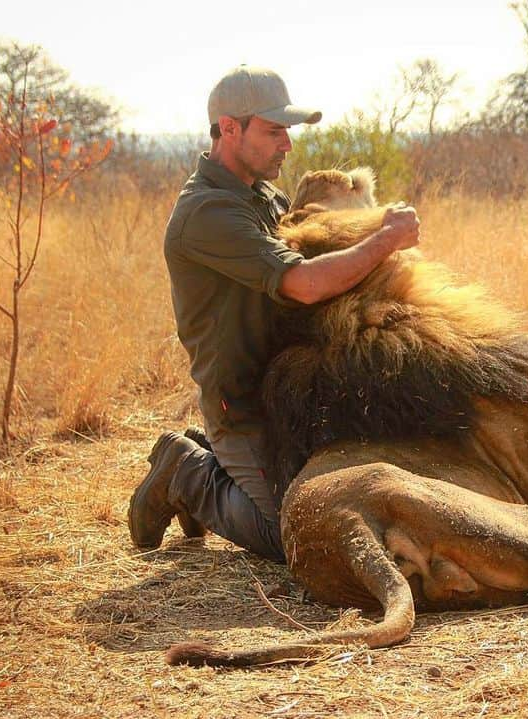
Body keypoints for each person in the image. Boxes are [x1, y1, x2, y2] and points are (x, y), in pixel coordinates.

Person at [127, 66, 420, 561]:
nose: (287, 144)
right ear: (228, 128)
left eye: (288, 131)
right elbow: (302, 284)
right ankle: (188, 471)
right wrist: (384, 239)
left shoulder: (264, 195)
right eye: (274, 130)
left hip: (289, 392)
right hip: (241, 406)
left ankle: (218, 463)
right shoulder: (208, 213)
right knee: (292, 536)